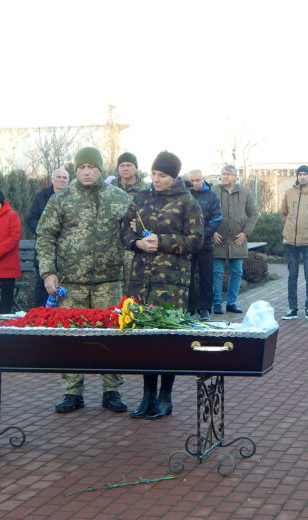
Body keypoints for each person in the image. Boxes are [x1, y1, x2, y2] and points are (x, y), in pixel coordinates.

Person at [36, 147, 130, 414]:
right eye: (81, 167)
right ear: (75, 170)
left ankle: (111, 390)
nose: (87, 172)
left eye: (92, 167)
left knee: (111, 335)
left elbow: (131, 237)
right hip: (71, 283)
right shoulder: (61, 199)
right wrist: (48, 272)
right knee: (71, 336)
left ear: (101, 169)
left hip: (109, 282)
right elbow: (45, 236)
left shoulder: (119, 198)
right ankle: (72, 390)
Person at [122, 151, 203, 419]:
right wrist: (136, 242)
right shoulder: (141, 198)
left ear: (174, 176)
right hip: (140, 282)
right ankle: (148, 395)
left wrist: (162, 242)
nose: (156, 179)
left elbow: (196, 241)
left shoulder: (187, 202)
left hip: (171, 284)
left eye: (163, 176)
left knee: (167, 341)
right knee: (145, 340)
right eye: (154, 174)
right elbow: (124, 231)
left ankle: (165, 398)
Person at [280, 165, 308, 320]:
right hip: (291, 242)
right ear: (297, 177)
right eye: (300, 174)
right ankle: (292, 308)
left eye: (305, 174)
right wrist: (289, 228)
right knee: (292, 275)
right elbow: (283, 214)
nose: (302, 177)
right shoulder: (289, 193)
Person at [211, 165, 257, 314]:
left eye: (228, 174)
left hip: (238, 240)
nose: (225, 177)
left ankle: (232, 302)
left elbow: (253, 214)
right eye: (223, 174)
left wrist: (245, 233)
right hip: (218, 239)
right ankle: (217, 303)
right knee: (217, 272)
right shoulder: (214, 191)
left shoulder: (245, 192)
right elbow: (205, 213)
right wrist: (212, 232)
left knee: (236, 272)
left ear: (235, 177)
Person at [27, 168, 70, 306]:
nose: (61, 180)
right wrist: (44, 233)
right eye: (58, 177)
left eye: (65, 178)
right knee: (42, 284)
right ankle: (40, 318)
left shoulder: (73, 198)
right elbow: (31, 219)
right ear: (52, 179)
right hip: (46, 249)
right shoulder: (41, 197)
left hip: (67, 250)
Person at [187, 169, 222, 320]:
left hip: (205, 244)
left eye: (197, 180)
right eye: (192, 181)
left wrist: (202, 235)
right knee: (187, 278)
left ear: (203, 179)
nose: (195, 183)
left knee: (206, 277)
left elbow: (216, 218)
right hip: (187, 244)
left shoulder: (212, 196)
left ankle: (205, 309)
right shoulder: (184, 196)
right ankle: (189, 309)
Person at [112, 152, 150, 293]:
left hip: (135, 244)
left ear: (136, 168)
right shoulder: (109, 189)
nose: (125, 168)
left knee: (134, 286)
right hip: (112, 243)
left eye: (129, 165)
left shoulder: (146, 190)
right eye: (122, 165)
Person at [0, 190, 22, 314]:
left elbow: (15, 236)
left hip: (7, 263)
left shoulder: (12, 215)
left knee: (6, 297)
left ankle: (6, 323)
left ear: (1, 202)